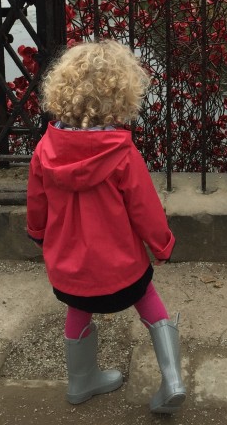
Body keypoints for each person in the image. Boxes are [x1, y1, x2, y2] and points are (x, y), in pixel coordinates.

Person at [26, 40, 186, 414]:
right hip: (123, 270)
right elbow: (146, 210)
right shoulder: (122, 155)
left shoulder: (44, 151)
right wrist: (162, 246)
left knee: (77, 311)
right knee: (148, 301)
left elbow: (37, 205)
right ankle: (172, 379)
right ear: (123, 95)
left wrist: (39, 235)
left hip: (70, 272)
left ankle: (81, 382)